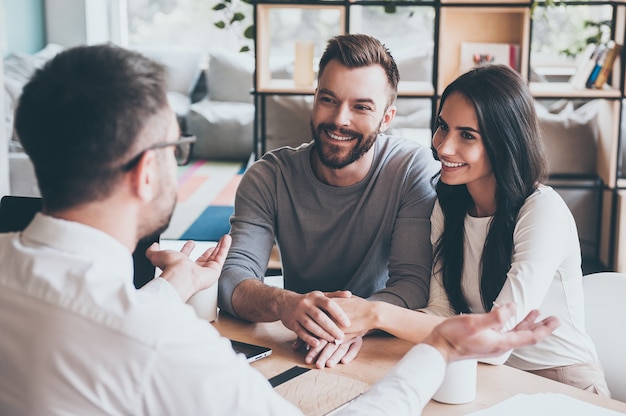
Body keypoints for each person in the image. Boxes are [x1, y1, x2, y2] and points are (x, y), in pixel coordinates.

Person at [0, 44, 560, 416]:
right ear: (148, 171)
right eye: (177, 149)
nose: (340, 118)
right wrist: (437, 347)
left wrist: (175, 288)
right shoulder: (158, 344)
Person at [332, 64, 610, 396]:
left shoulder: (541, 210)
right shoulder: (447, 206)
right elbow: (441, 312)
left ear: (505, 142)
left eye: (467, 135)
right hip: (488, 375)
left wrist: (375, 313)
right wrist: (358, 326)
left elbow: (496, 343)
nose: (444, 147)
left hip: (563, 382)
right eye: (442, 127)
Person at [218, 33, 440, 368]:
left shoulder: (411, 169)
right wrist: (284, 303)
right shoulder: (268, 176)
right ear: (314, 99)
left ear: (387, 118)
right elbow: (233, 276)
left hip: (376, 344)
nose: (340, 119)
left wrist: (354, 321)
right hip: (297, 342)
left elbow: (412, 282)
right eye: (329, 100)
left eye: (361, 107)